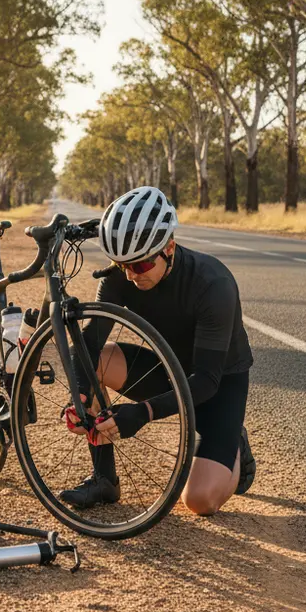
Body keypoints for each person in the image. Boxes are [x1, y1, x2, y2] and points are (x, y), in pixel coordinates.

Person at [60, 185, 255, 516]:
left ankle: (232, 441)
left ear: (169, 247)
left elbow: (207, 380)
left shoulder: (213, 283)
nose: (132, 275)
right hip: (167, 370)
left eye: (141, 265)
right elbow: (89, 343)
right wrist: (80, 395)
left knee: (199, 501)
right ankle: (104, 479)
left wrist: (143, 413)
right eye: (123, 265)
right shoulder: (122, 275)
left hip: (216, 384)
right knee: (98, 360)